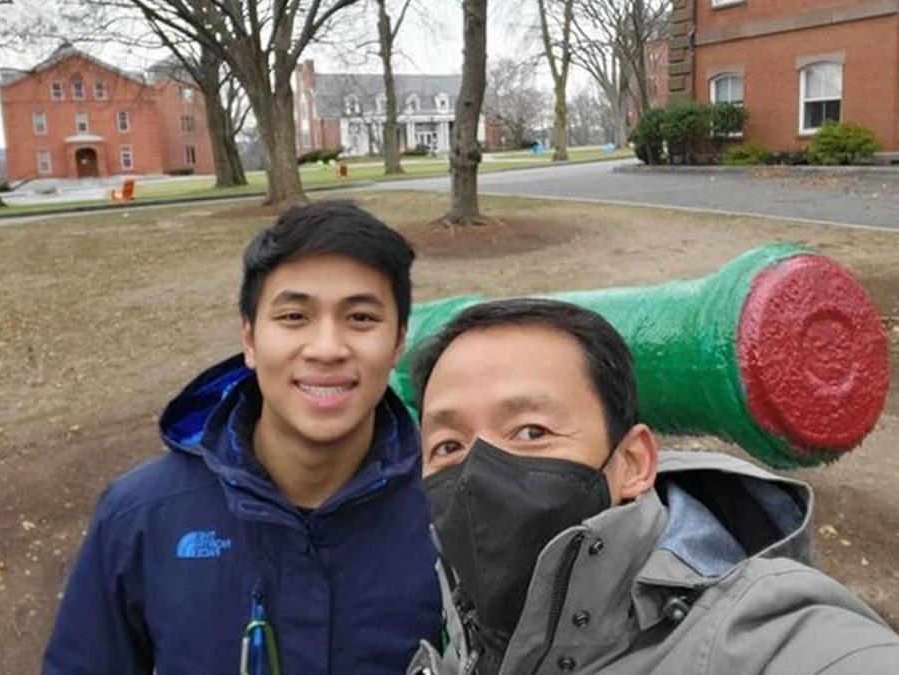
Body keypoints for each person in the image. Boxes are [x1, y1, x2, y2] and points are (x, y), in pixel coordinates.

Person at [44, 201, 441, 675]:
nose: (327, 349)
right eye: (294, 316)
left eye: (360, 318)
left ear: (397, 342)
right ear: (250, 340)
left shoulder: (449, 511)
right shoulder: (140, 515)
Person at [407, 298, 899, 675]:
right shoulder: (463, 615)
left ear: (633, 463)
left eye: (532, 432)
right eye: (448, 446)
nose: (477, 473)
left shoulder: (764, 632)